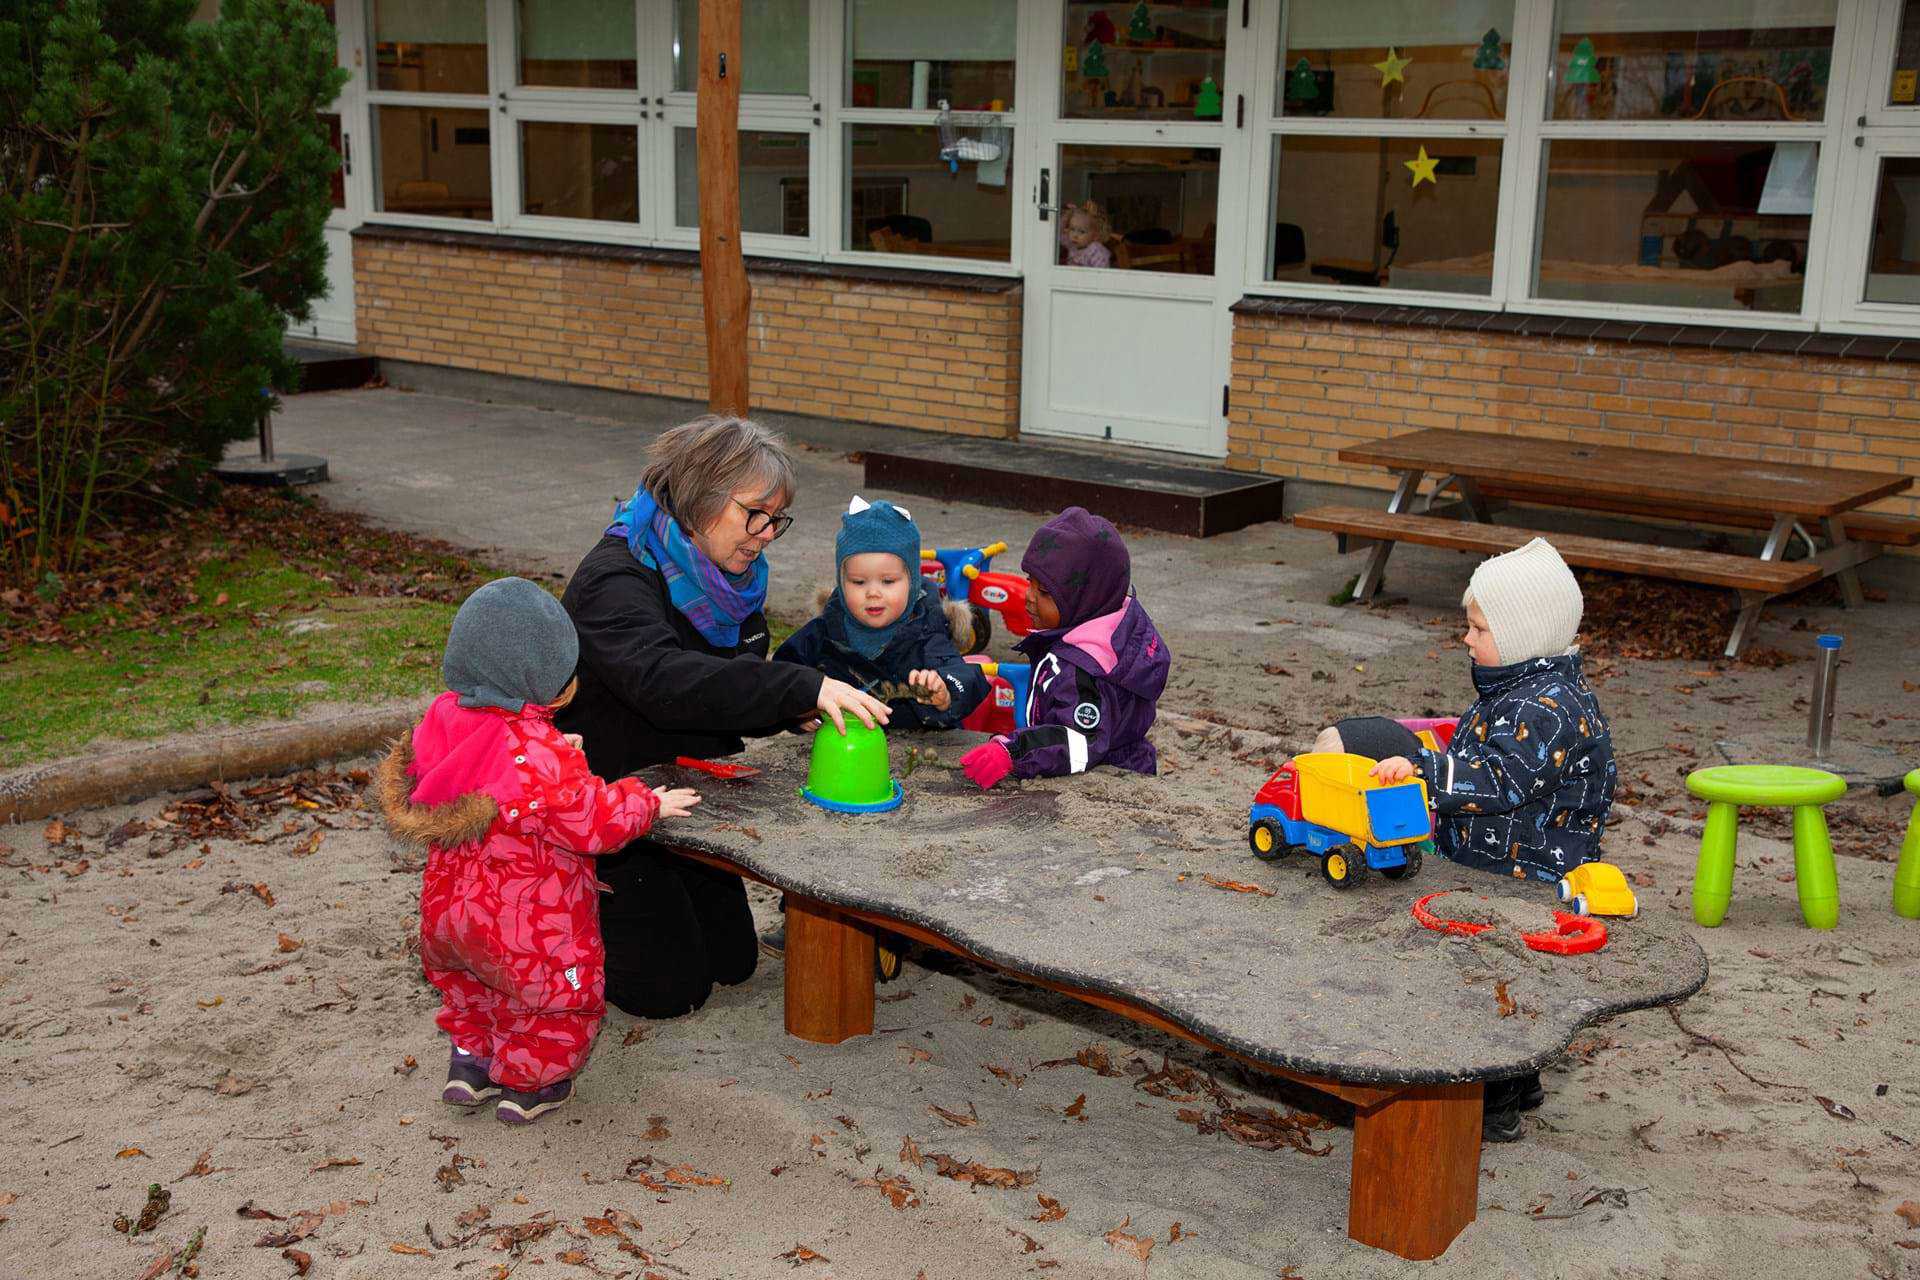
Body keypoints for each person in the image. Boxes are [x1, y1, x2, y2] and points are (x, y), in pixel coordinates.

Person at [556, 416, 891, 1019]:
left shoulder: (725, 579)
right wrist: (799, 686)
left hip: (685, 792)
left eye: (775, 520)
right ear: (702, 493)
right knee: (669, 993)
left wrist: (789, 712)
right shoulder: (615, 579)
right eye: (754, 515)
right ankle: (565, 912)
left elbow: (727, 683)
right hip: (609, 806)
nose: (765, 535)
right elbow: (663, 680)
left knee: (734, 962)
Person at [1312, 536, 1616, 1142]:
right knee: (1501, 976)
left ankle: (1493, 1106)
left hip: (1524, 873)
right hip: (1500, 860)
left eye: (1478, 628)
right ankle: (1520, 1082)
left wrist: (1425, 770)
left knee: (1488, 983)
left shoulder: (1547, 708)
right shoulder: (1520, 691)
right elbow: (1479, 751)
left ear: (1522, 632)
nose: (1467, 639)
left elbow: (1498, 777)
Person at [377, 577, 702, 1124]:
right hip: (528, 922)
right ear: (550, 676)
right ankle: (530, 1086)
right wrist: (645, 802)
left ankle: (471, 1066)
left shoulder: (444, 721)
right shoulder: (540, 754)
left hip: (450, 913)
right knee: (551, 998)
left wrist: (552, 746)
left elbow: (498, 760)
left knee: (472, 991)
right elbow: (589, 821)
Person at [959, 507, 1169, 788]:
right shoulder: (1108, 622)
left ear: (1087, 597)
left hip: (1105, 781)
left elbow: (1078, 739)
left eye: (1044, 592)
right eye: (1028, 583)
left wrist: (1014, 751)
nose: (1029, 598)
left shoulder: (1085, 668)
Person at [773, 496, 989, 730]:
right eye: (858, 582)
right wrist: (801, 712)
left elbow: (965, 676)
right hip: (845, 754)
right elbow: (782, 678)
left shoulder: (926, 631)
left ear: (912, 582)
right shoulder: (825, 630)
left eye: (888, 581)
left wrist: (944, 693)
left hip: (917, 753)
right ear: (841, 581)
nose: (873, 592)